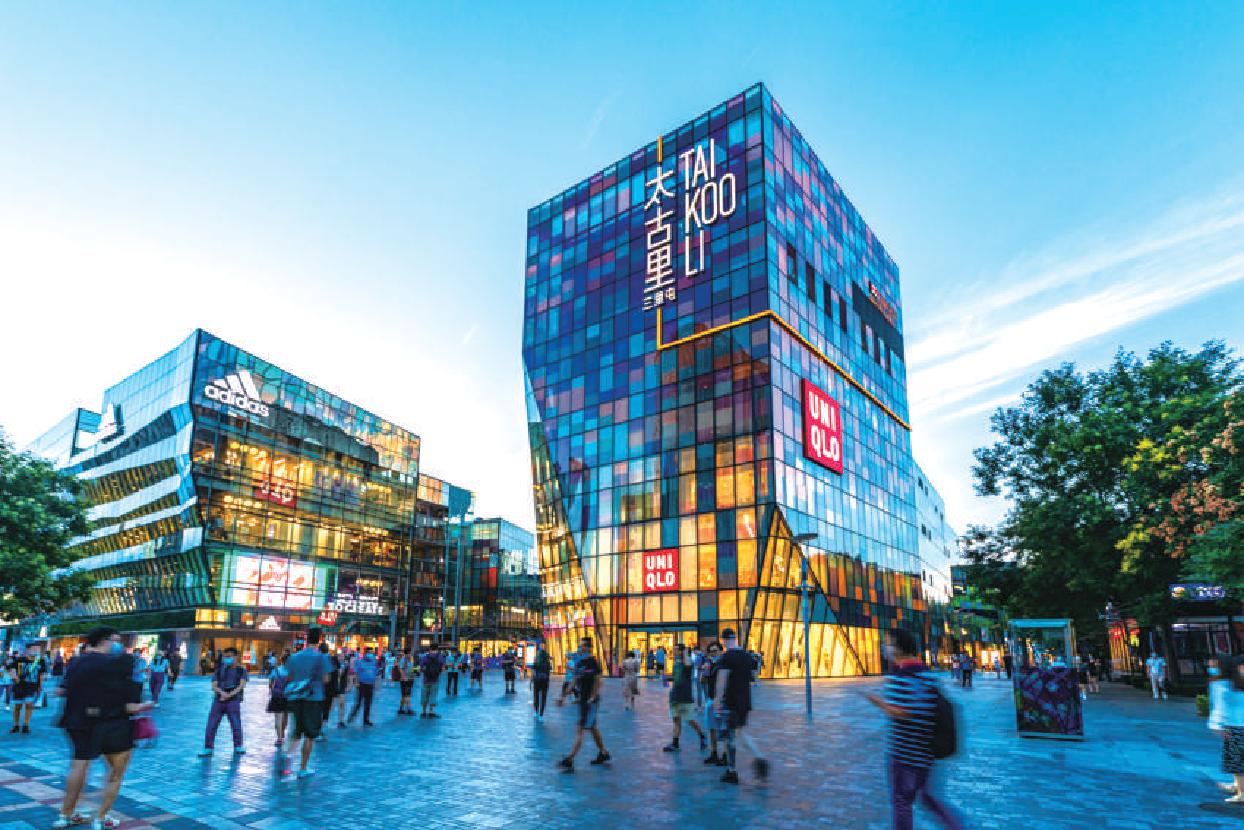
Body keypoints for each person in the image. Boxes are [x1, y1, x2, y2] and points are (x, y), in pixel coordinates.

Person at [866, 629, 963, 830]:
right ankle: (956, 826)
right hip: (926, 751)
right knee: (928, 797)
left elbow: (902, 712)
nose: (884, 648)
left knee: (902, 801)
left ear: (899, 647)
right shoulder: (925, 673)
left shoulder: (900, 676)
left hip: (904, 752)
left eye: (888, 643)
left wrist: (878, 702)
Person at [54, 626, 150, 830]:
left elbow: (61, 690)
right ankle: (101, 817)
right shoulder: (111, 664)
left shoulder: (76, 662)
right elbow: (122, 698)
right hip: (101, 722)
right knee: (113, 772)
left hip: (72, 719)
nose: (118, 645)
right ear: (105, 640)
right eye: (116, 641)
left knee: (79, 765)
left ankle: (66, 814)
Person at [713, 628, 768, 785]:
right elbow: (754, 676)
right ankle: (760, 758)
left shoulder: (726, 657)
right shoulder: (746, 656)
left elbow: (722, 680)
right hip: (745, 702)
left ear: (724, 640)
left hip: (731, 702)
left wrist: (717, 699)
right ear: (735, 639)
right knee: (740, 733)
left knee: (730, 737)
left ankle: (732, 771)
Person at [282, 628, 333, 780]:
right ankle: (303, 768)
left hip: (296, 698)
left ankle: (288, 761)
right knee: (310, 735)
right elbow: (326, 679)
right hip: (314, 698)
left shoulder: (294, 657)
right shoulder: (322, 657)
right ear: (320, 639)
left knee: (296, 731)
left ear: (306, 638)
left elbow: (288, 677)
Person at [557, 637, 610, 771]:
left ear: (588, 648)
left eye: (582, 646)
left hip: (590, 702)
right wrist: (563, 697)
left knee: (580, 729)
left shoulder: (593, 663)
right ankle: (603, 752)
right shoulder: (579, 664)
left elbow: (598, 681)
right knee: (592, 728)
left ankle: (570, 759)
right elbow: (574, 681)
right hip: (583, 701)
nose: (580, 648)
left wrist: (592, 697)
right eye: (579, 646)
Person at [197, 646, 248, 756]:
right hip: (219, 700)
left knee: (235, 723)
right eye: (226, 657)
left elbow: (241, 685)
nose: (227, 659)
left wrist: (229, 695)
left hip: (233, 700)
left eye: (230, 656)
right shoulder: (220, 670)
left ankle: (238, 746)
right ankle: (208, 747)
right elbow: (214, 686)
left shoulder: (241, 670)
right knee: (212, 724)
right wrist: (222, 693)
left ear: (236, 657)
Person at [663, 644, 707, 753]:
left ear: (682, 652)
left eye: (676, 650)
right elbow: (676, 678)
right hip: (675, 696)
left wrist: (686, 652)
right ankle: (675, 744)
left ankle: (702, 736)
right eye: (674, 649)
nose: (674, 652)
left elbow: (687, 665)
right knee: (676, 720)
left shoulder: (688, 662)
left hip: (685, 697)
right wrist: (667, 678)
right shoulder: (676, 663)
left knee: (690, 719)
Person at [9, 644, 46, 733]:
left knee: (29, 704)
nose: (36, 650)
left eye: (37, 649)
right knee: (18, 706)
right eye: (34, 648)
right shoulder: (20, 660)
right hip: (19, 686)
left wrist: (40, 686)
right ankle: (16, 725)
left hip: (31, 686)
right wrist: (14, 677)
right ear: (28, 650)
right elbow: (11, 669)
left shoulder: (40, 661)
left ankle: (25, 725)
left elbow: (41, 675)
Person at [700, 641, 727, 766]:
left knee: (724, 729)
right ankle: (714, 754)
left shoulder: (724, 665)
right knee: (711, 728)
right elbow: (703, 681)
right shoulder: (710, 664)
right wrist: (704, 671)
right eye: (711, 652)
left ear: (721, 651)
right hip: (711, 700)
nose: (713, 654)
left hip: (722, 701)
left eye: (715, 651)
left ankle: (725, 756)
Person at [349, 647, 379, 726]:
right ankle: (351, 717)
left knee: (368, 703)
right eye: (368, 652)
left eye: (371, 652)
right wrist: (356, 683)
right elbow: (356, 673)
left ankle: (366, 720)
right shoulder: (360, 662)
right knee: (358, 703)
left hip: (370, 685)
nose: (370, 654)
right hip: (361, 684)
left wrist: (376, 684)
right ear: (365, 653)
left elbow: (376, 673)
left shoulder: (374, 663)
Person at [419, 645, 444, 718]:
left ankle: (423, 712)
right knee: (433, 695)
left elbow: (421, 667)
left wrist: (425, 672)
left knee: (424, 695)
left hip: (425, 680)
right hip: (435, 680)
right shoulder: (440, 657)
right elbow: (442, 668)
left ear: (430, 649)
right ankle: (431, 711)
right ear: (437, 649)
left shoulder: (425, 657)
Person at [531, 646, 552, 718]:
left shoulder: (536, 663)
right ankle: (541, 715)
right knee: (543, 697)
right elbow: (549, 671)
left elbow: (533, 670)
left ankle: (536, 711)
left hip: (537, 681)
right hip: (545, 681)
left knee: (536, 696)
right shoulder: (547, 663)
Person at [395, 648, 416, 715]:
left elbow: (411, 669)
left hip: (410, 679)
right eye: (410, 653)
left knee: (404, 695)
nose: (411, 654)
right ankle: (409, 709)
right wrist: (404, 677)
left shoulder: (410, 660)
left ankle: (401, 709)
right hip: (405, 680)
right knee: (407, 695)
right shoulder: (403, 660)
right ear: (408, 653)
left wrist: (413, 673)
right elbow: (401, 669)